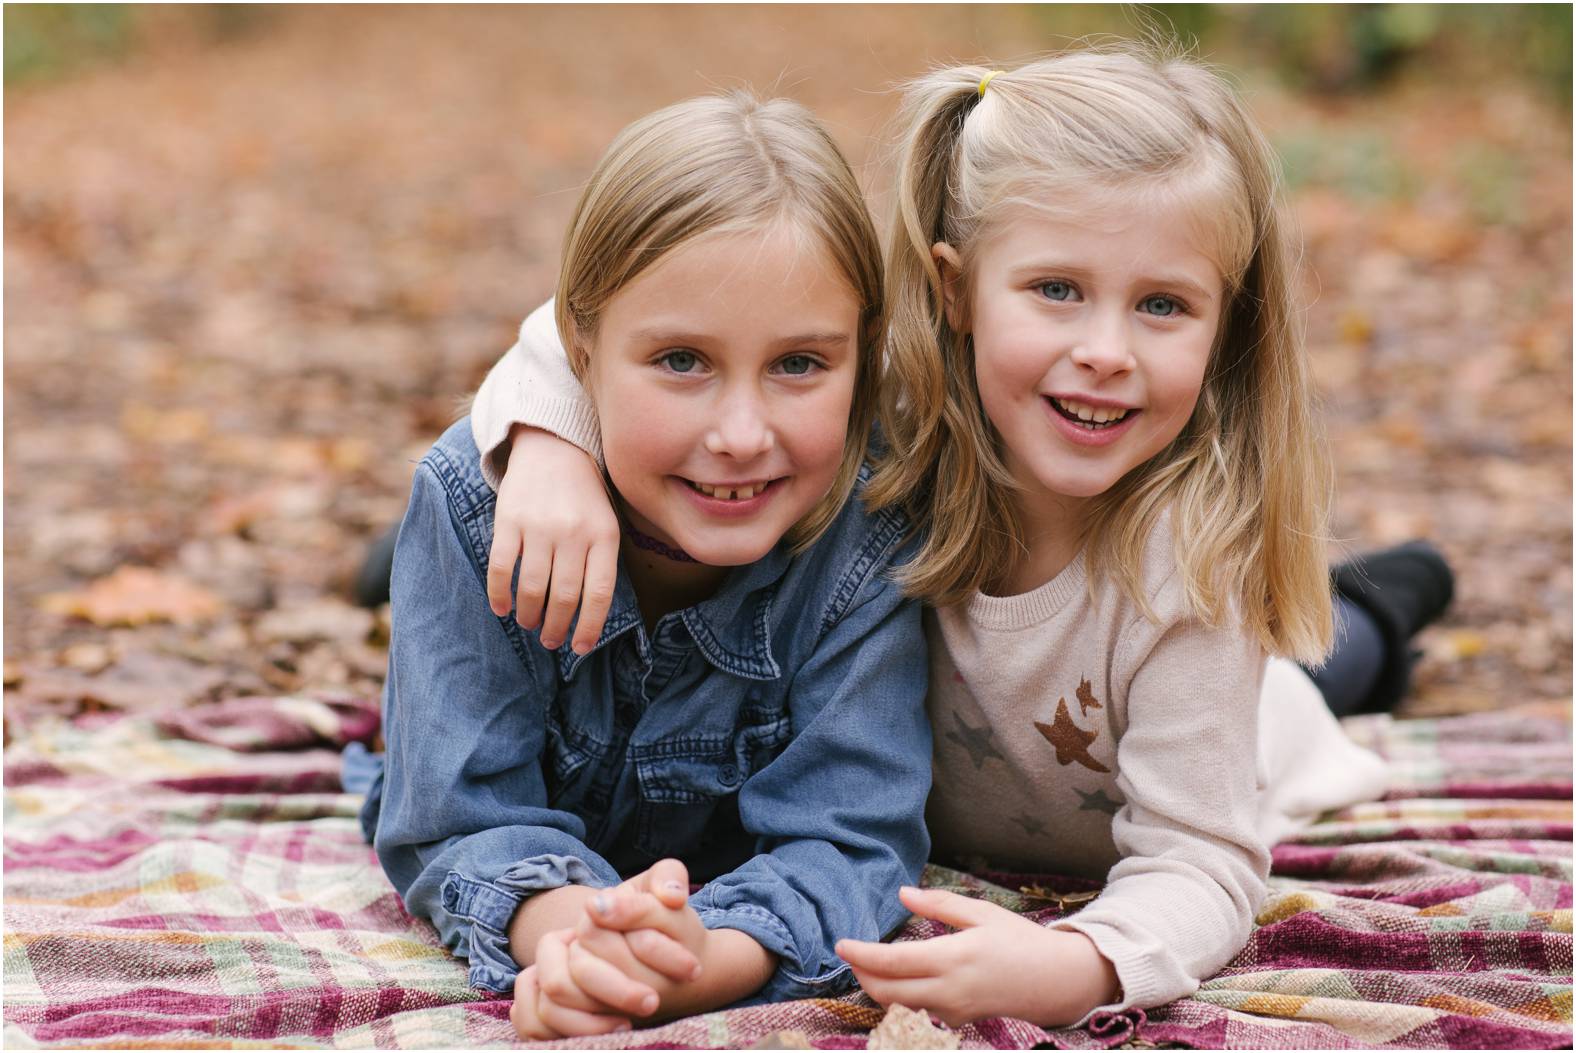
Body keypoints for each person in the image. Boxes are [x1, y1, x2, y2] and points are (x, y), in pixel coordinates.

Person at [430, 46, 1458, 1030]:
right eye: (1057, 289)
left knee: (1313, 674)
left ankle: (1372, 606)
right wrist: (547, 450)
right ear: (956, 287)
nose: (1103, 352)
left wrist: (1076, 963)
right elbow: (627, 312)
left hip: (1241, 728)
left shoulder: (1193, 580)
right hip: (1014, 759)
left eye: (1161, 305)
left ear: (1222, 327)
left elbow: (1201, 864)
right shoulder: (904, 426)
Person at [348, 91, 937, 1041]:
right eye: (680, 360)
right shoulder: (467, 506)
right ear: (577, 348)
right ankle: (394, 567)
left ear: (864, 358)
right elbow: (452, 818)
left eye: (799, 365)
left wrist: (696, 964)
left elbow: (852, 840)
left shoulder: (869, 533)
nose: (742, 435)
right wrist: (572, 938)